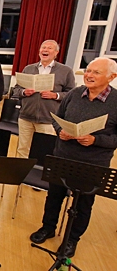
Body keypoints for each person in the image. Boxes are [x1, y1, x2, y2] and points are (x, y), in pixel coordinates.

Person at [29, 57, 117, 258]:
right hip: (63, 156)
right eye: (88, 70)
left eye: (96, 72)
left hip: (93, 163)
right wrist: (60, 131)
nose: (89, 75)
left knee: (83, 204)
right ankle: (48, 227)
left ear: (112, 77)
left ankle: (71, 239)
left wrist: (96, 140)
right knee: (54, 197)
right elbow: (57, 118)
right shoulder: (75, 94)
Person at [13, 40, 75, 159]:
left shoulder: (65, 71)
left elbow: (71, 94)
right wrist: (24, 92)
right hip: (26, 117)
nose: (45, 50)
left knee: (43, 150)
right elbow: (16, 90)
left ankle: (37, 176)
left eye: (49, 48)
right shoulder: (29, 68)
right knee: (22, 149)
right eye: (43, 47)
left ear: (56, 52)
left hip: (48, 119)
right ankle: (20, 174)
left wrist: (55, 95)